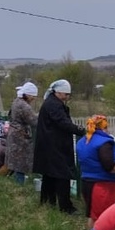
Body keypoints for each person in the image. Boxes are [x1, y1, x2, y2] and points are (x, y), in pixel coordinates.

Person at [33, 79, 85, 214]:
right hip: (55, 145)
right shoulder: (54, 106)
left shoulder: (50, 102)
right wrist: (82, 130)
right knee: (63, 175)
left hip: (48, 145)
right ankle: (66, 207)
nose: (68, 97)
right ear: (59, 92)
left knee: (49, 174)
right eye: (66, 94)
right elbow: (63, 123)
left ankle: (47, 201)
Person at [75, 114, 115, 227]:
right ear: (104, 127)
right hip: (103, 186)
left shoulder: (83, 141)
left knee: (93, 216)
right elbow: (109, 166)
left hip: (86, 183)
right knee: (104, 218)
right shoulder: (103, 143)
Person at [6, 81, 39, 185]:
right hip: (20, 136)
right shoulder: (24, 106)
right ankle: (19, 184)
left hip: (15, 133)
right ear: (27, 94)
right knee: (21, 162)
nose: (33, 98)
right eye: (33, 96)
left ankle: (17, 182)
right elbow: (34, 121)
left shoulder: (16, 102)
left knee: (16, 161)